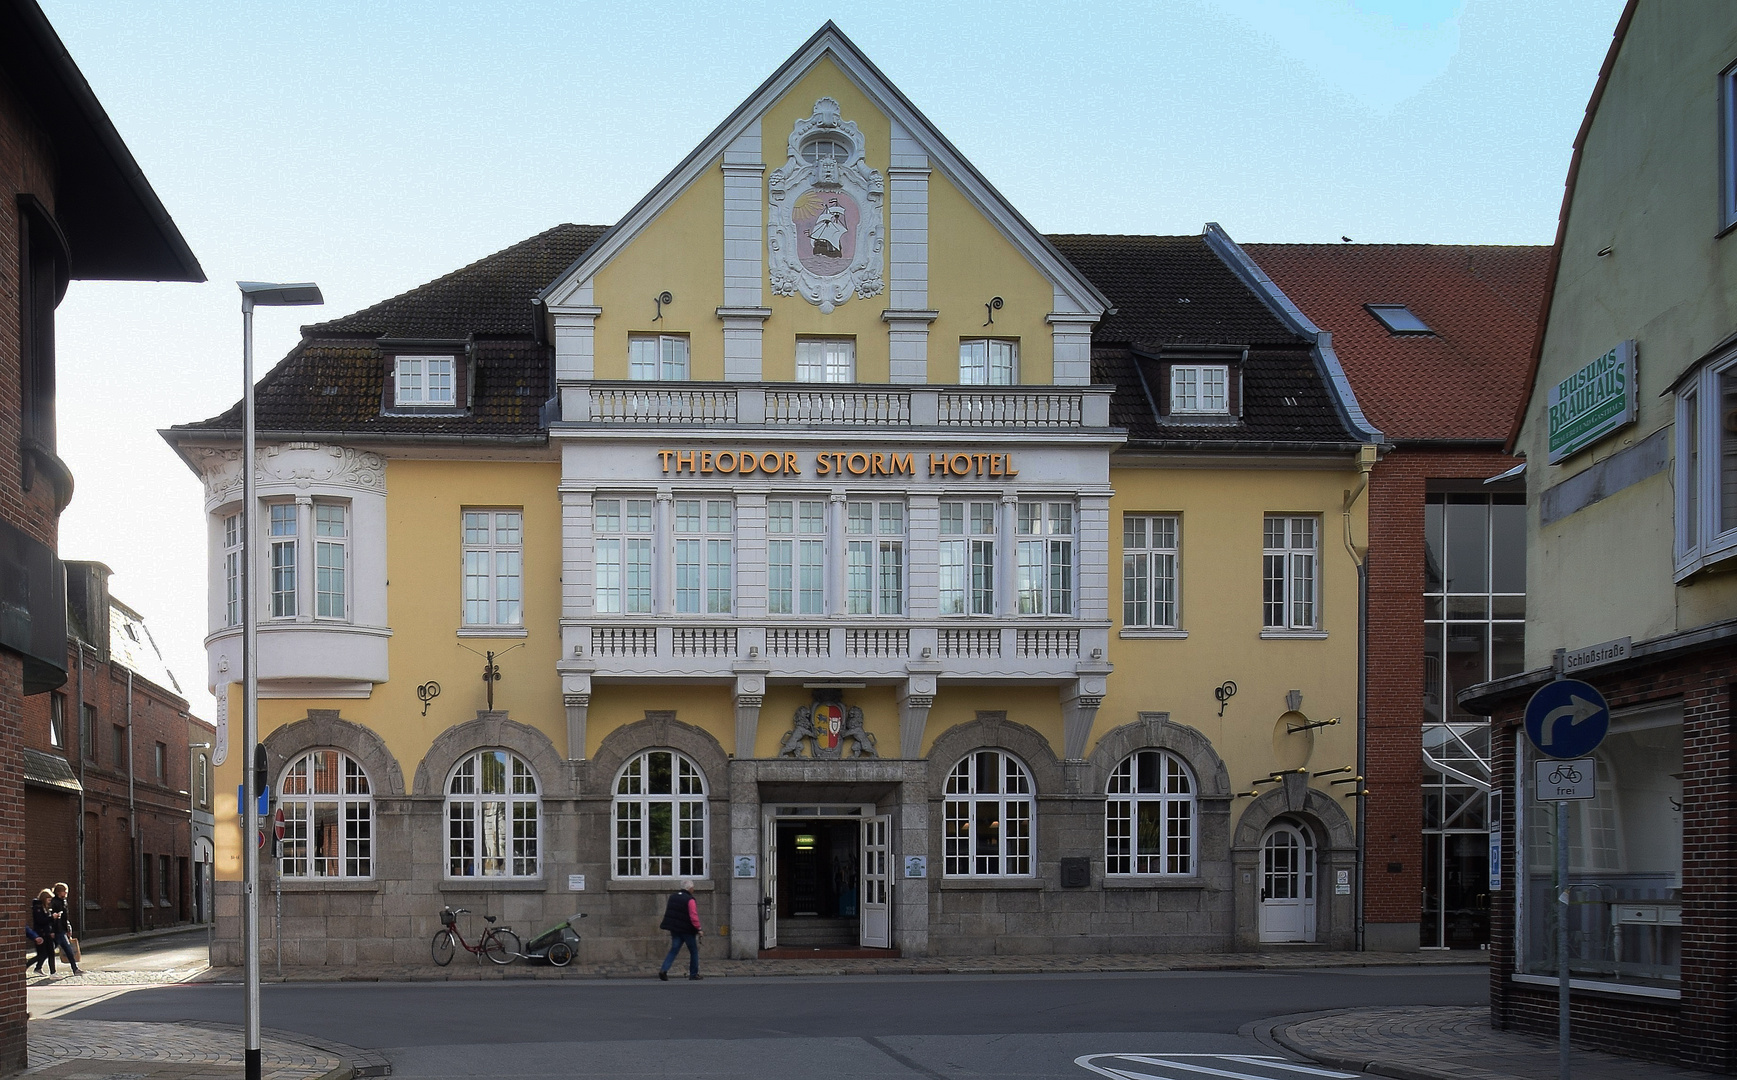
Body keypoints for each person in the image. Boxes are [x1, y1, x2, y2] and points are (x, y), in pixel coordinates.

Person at [656, 878, 702, 981]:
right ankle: (693, 974)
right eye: (692, 887)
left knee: (674, 950)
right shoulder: (690, 900)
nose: (693, 889)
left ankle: (664, 969)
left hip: (675, 929)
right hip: (687, 930)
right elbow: (693, 916)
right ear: (690, 888)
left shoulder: (673, 897)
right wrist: (699, 929)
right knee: (693, 951)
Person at [49, 883, 80, 975]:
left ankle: (75, 969)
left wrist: (68, 928)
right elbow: (53, 918)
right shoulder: (54, 902)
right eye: (64, 891)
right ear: (59, 892)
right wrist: (52, 931)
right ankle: (74, 969)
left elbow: (65, 918)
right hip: (57, 930)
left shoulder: (64, 901)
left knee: (66, 950)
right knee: (65, 950)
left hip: (62, 930)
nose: (66, 892)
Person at [27, 889, 54, 976]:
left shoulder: (45, 908)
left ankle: (38, 968)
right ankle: (28, 965)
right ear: (44, 898)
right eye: (48, 899)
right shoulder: (38, 908)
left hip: (46, 933)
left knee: (47, 953)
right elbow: (40, 921)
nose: (49, 901)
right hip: (40, 933)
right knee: (42, 953)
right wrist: (51, 918)